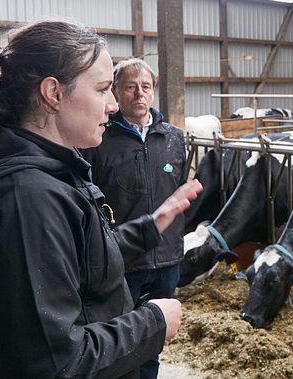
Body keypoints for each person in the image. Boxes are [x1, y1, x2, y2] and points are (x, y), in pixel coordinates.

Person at [0, 20, 202, 378]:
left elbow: (81, 256)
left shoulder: (56, 173)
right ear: (53, 93)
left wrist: (152, 225)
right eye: (103, 89)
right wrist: (153, 323)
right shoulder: (26, 201)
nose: (114, 105)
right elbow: (51, 364)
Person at [81, 58, 187, 379]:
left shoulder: (174, 138)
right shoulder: (99, 141)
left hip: (167, 258)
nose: (139, 94)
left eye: (146, 87)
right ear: (116, 92)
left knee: (154, 337)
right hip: (122, 259)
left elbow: (179, 189)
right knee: (122, 339)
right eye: (130, 87)